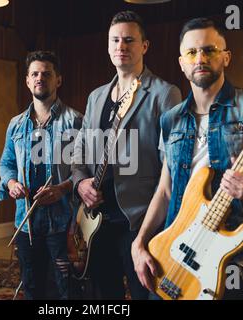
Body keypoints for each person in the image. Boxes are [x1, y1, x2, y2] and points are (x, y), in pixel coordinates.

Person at [132, 18, 243, 299]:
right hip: (176, 246)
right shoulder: (170, 119)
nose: (200, 58)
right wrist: (139, 242)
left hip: (236, 254)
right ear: (181, 62)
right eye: (191, 52)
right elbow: (165, 191)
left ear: (226, 57)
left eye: (209, 50)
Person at [71, 11, 182, 300]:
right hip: (97, 222)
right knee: (103, 295)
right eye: (115, 40)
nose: (121, 46)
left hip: (141, 222)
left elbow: (170, 168)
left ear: (144, 46)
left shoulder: (165, 94)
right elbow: (79, 151)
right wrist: (80, 182)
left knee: (144, 293)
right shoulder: (96, 97)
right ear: (108, 47)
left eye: (129, 40)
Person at [0, 51, 82, 300]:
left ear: (58, 80)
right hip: (26, 223)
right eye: (34, 74)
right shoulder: (15, 124)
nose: (40, 78)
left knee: (64, 289)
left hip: (61, 222)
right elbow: (6, 163)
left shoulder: (75, 121)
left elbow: (82, 170)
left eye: (47, 74)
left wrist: (62, 188)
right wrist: (11, 182)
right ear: (27, 80)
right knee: (32, 288)